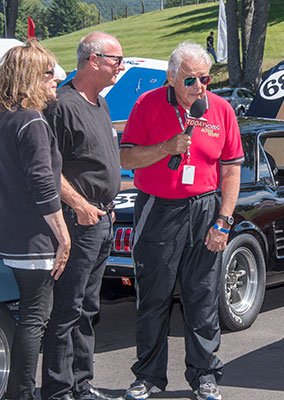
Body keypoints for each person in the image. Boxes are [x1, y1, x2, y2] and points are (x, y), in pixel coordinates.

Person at [119, 40, 243, 400]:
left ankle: (205, 375)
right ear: (171, 77)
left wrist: (223, 221)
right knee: (154, 298)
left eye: (204, 79)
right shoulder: (147, 105)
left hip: (205, 209)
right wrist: (166, 148)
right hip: (158, 209)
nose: (199, 87)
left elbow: (232, 170)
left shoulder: (220, 110)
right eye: (190, 80)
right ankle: (148, 377)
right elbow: (126, 158)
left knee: (202, 296)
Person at [40, 31, 125, 400]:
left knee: (89, 308)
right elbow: (46, 168)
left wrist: (103, 209)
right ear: (93, 60)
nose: (120, 67)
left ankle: (81, 384)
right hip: (78, 222)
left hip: (103, 220)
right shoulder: (61, 104)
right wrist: (80, 205)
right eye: (115, 60)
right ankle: (59, 391)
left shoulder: (101, 104)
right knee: (67, 310)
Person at [0, 39, 71, 400]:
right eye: (49, 73)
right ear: (30, 77)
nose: (55, 79)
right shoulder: (31, 120)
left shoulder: (5, 117)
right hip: (34, 239)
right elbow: (43, 182)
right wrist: (63, 235)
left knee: (23, 319)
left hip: (10, 236)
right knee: (34, 320)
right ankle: (23, 395)